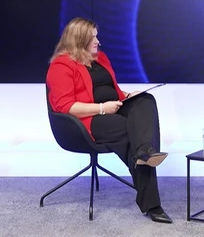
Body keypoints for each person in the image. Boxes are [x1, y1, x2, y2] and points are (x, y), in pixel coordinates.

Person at [46, 17, 173, 224]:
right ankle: (152, 204)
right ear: (79, 39)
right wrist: (102, 109)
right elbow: (65, 107)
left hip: (112, 108)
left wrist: (127, 96)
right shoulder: (61, 66)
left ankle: (145, 151)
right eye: (93, 38)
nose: (98, 41)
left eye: (97, 37)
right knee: (128, 130)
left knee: (145, 100)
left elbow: (111, 90)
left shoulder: (101, 58)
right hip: (86, 121)